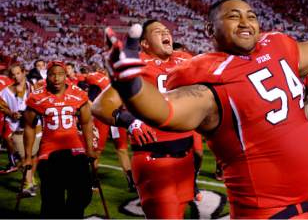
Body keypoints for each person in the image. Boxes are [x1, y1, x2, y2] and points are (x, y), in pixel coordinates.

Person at [96, 0, 308, 219]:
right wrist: (132, 86)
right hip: (266, 212)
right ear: (209, 30)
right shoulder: (209, 75)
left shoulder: (279, 47)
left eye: (251, 15)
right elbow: (167, 111)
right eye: (233, 16)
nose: (245, 22)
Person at [92, 19, 197, 219]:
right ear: (145, 43)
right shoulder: (138, 64)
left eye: (167, 30)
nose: (166, 34)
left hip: (186, 160)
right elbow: (99, 106)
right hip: (155, 159)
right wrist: (131, 121)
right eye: (158, 31)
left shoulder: (185, 59)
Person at [23, 61, 96, 218]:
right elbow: (29, 126)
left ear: (66, 75)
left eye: (60, 74)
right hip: (49, 151)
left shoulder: (78, 94)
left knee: (82, 195)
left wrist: (90, 149)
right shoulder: (36, 96)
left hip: (75, 149)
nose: (56, 78)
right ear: (47, 76)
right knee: (52, 200)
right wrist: (28, 157)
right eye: (52, 74)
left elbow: (86, 122)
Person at [0, 64, 39, 195]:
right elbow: (2, 107)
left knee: (33, 156)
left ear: (23, 72)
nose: (15, 77)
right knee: (24, 157)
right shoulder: (5, 92)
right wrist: (11, 114)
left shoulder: (32, 87)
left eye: (17, 73)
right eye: (12, 74)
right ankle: (28, 184)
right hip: (16, 127)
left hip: (35, 126)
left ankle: (30, 180)